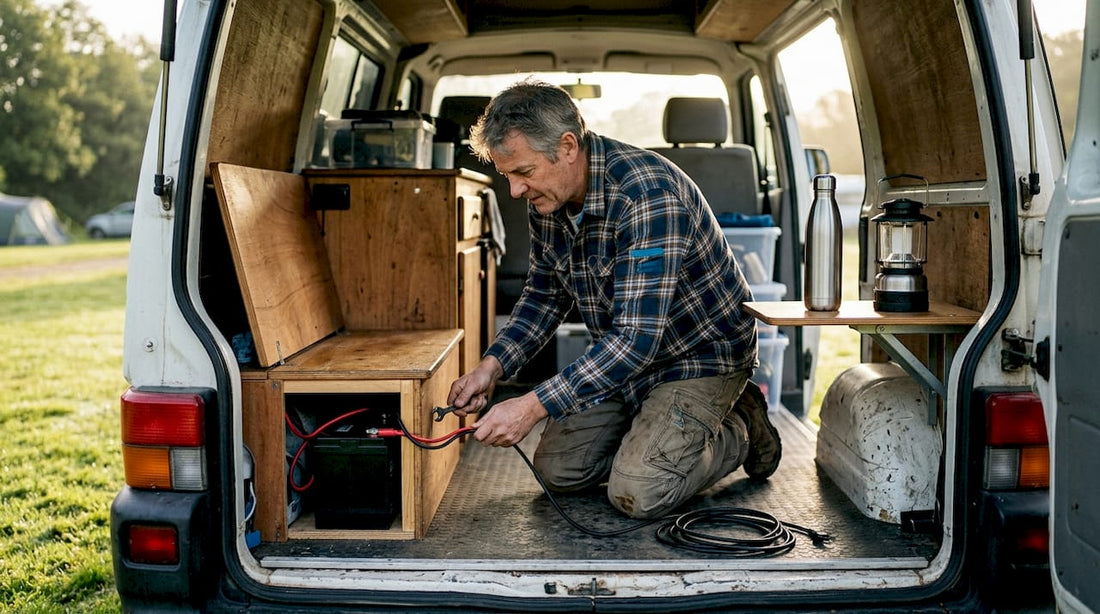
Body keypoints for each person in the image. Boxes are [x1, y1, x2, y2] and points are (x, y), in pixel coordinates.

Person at [447, 79, 781, 520]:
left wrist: (531, 406)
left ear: (568, 146)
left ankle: (740, 427)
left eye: (523, 173)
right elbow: (544, 293)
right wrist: (492, 367)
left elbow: (636, 340)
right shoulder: (548, 196)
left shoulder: (648, 195)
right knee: (557, 473)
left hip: (698, 359)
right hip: (625, 364)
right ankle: (654, 433)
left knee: (639, 493)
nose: (514, 191)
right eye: (508, 176)